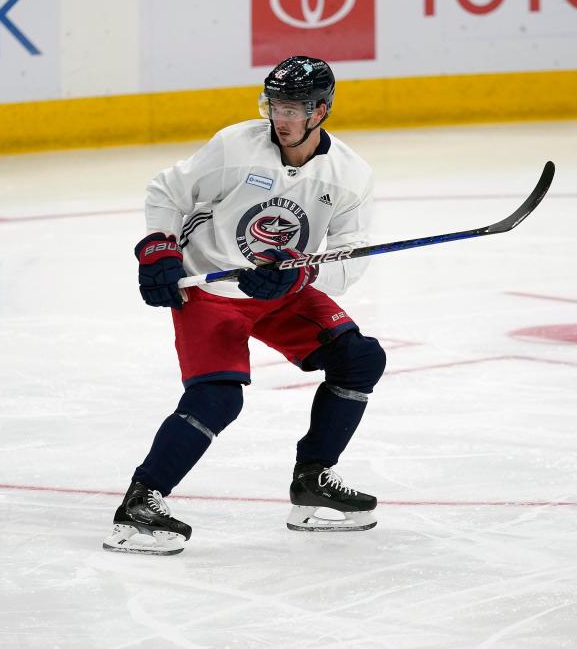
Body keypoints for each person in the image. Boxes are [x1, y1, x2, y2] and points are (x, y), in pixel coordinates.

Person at [103, 55, 387, 555]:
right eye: (275, 104)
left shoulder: (349, 176)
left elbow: (348, 259)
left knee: (360, 358)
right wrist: (157, 247)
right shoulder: (236, 146)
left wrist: (301, 271)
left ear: (321, 110)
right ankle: (140, 502)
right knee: (218, 398)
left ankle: (313, 481)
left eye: (294, 107)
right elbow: (167, 191)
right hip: (211, 289)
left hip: (282, 292)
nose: (281, 117)